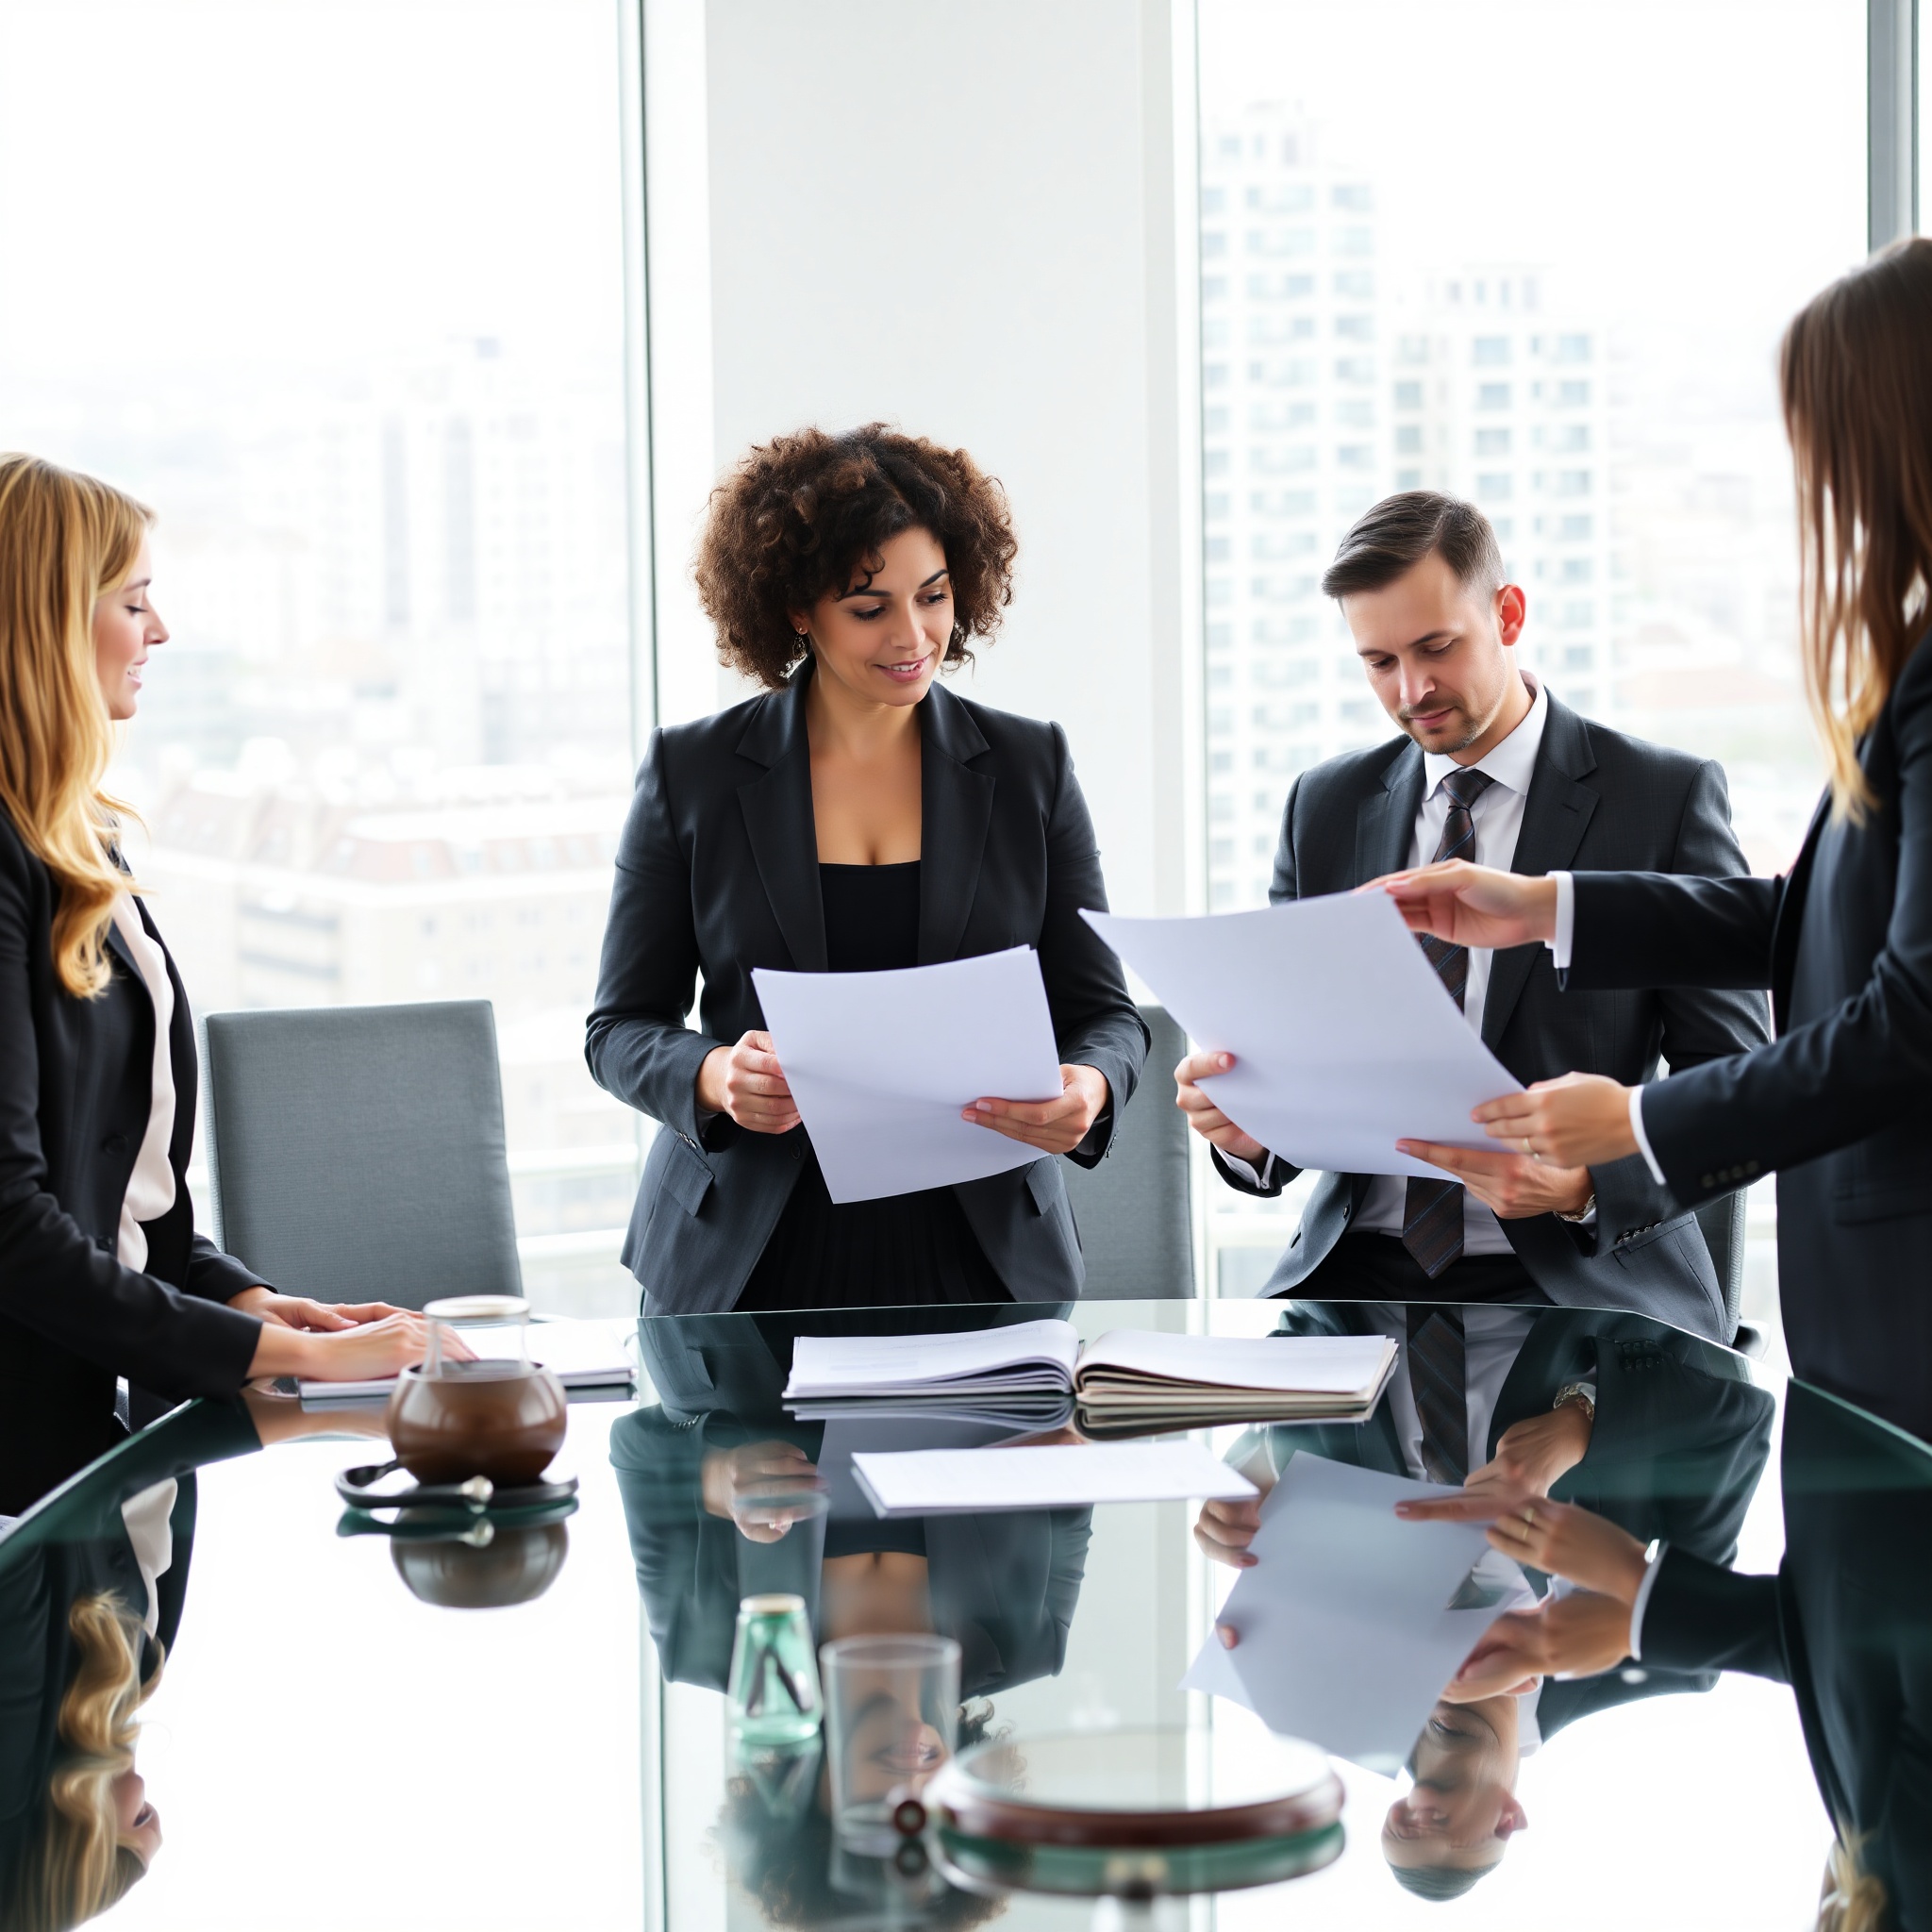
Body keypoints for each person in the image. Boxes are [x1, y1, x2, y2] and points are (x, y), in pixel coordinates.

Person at [1375, 240, 1932, 1439]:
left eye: (1818, 443)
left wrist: (1629, 1125)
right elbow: (1822, 910)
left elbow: (1909, 1012)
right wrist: (1548, 906)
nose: (1810, 486)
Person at [1174, 490, 1767, 1337]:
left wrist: (1586, 1185)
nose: (1412, 690)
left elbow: (1734, 1079)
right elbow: (1296, 1057)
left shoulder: (1660, 800)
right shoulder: (1326, 806)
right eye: (1379, 662)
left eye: (1436, 647)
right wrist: (1251, 1129)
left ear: (1509, 613)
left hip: (1578, 1285)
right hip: (1350, 1284)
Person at [587, 425, 1148, 1313]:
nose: (913, 635)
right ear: (796, 610)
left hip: (980, 1250)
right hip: (749, 1256)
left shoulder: (1028, 765)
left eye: (933, 595)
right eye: (869, 607)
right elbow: (618, 1026)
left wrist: (1091, 1087)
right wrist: (713, 1075)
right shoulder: (692, 773)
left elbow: (1103, 1015)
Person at [0, 456, 440, 1517]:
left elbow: (121, 1198)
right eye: (134, 601)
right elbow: (11, 1225)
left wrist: (248, 1297)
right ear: (48, 619)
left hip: (97, 1447)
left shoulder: (75, 834)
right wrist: (269, 1348)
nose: (158, 633)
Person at [1406, 1378, 1926, 1931]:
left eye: (1401, 1823)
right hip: (1879, 1409)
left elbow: (1823, 1650)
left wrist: (1637, 1599)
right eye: (1436, 1824)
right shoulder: (1676, 1665)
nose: (1418, 1806)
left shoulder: (1354, 1664)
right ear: (1506, 1821)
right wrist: (1632, 1591)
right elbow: (1736, 1423)